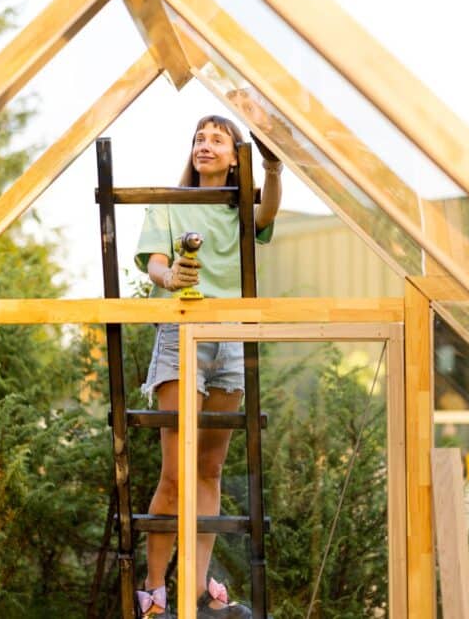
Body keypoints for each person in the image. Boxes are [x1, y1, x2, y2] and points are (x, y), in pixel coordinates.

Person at [133, 115, 282, 618]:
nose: (205, 145)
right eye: (199, 137)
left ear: (235, 153)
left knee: (211, 470)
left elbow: (265, 215)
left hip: (233, 339)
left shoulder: (240, 205)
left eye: (217, 139)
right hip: (182, 335)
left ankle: (194, 590)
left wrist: (274, 168)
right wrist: (170, 275)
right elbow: (153, 262)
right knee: (177, 473)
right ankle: (154, 592)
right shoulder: (172, 203)